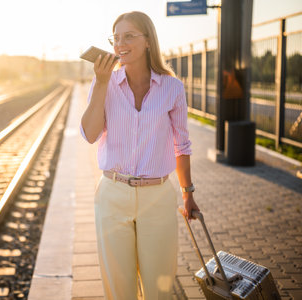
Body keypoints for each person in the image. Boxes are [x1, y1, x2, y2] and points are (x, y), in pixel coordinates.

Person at [80, 11, 200, 300]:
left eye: (129, 36)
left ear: (148, 41)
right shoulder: (104, 83)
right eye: (116, 38)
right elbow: (89, 134)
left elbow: (181, 146)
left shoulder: (172, 88)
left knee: (158, 288)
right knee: (119, 291)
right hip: (112, 194)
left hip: (157, 197)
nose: (121, 43)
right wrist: (100, 82)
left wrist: (187, 193)